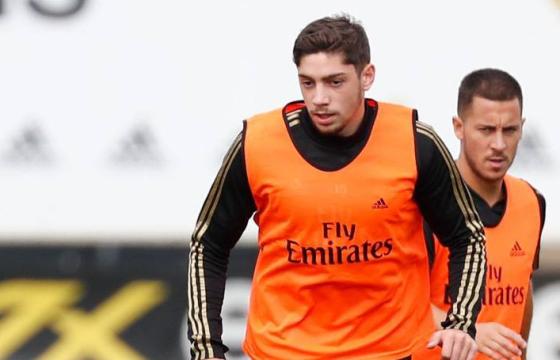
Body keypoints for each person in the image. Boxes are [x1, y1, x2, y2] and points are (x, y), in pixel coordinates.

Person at [187, 15, 486, 360]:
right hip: (282, 352)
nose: (319, 98)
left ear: (367, 76)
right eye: (308, 83)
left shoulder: (415, 143)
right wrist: (206, 349)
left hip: (389, 352)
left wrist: (461, 323)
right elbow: (207, 244)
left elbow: (468, 236)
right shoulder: (258, 144)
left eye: (335, 82)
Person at [416, 68, 545, 360]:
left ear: (522, 128)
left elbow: (522, 289)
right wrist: (466, 328)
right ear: (458, 127)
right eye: (486, 130)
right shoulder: (424, 205)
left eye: (509, 130)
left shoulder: (531, 201)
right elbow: (395, 303)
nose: (498, 145)